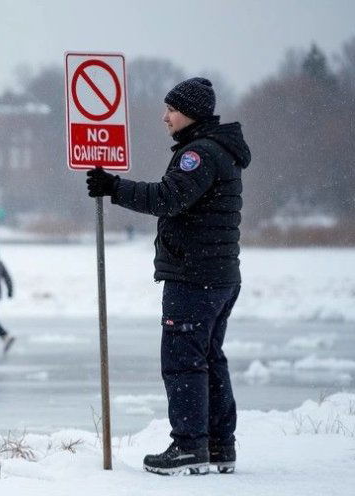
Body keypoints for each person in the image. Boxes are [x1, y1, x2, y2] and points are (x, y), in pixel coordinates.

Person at [86, 77, 251, 475]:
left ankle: (190, 447)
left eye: (171, 110)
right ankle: (218, 445)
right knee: (209, 358)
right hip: (219, 275)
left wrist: (114, 187)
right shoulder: (220, 151)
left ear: (190, 114)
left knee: (183, 361)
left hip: (195, 277)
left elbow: (168, 198)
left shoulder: (199, 154)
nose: (165, 117)